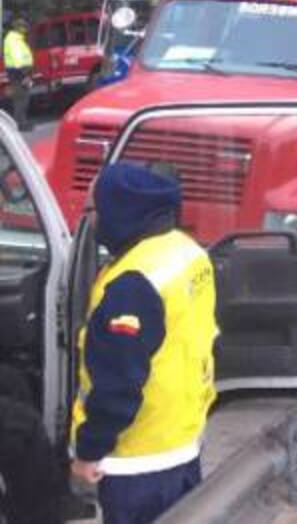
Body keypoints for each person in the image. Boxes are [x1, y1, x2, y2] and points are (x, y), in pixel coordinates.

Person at [70, 162, 218, 524]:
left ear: (119, 214)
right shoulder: (187, 252)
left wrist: (89, 452)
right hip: (182, 444)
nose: (89, 219)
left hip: (136, 462)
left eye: (93, 210)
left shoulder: (130, 285)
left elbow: (118, 385)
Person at [3, 17, 34, 131]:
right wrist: (25, 74)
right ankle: (20, 124)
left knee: (22, 98)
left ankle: (21, 122)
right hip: (19, 72)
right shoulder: (14, 40)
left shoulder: (16, 39)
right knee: (21, 99)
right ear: (19, 28)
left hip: (19, 72)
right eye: (24, 27)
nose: (26, 29)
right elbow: (17, 58)